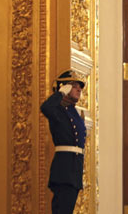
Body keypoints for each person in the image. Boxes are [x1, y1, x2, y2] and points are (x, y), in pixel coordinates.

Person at [40, 70, 87, 214]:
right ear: (64, 87)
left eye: (79, 87)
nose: (79, 89)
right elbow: (45, 107)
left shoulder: (76, 113)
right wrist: (60, 93)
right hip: (64, 171)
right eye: (74, 86)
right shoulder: (57, 111)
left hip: (74, 170)